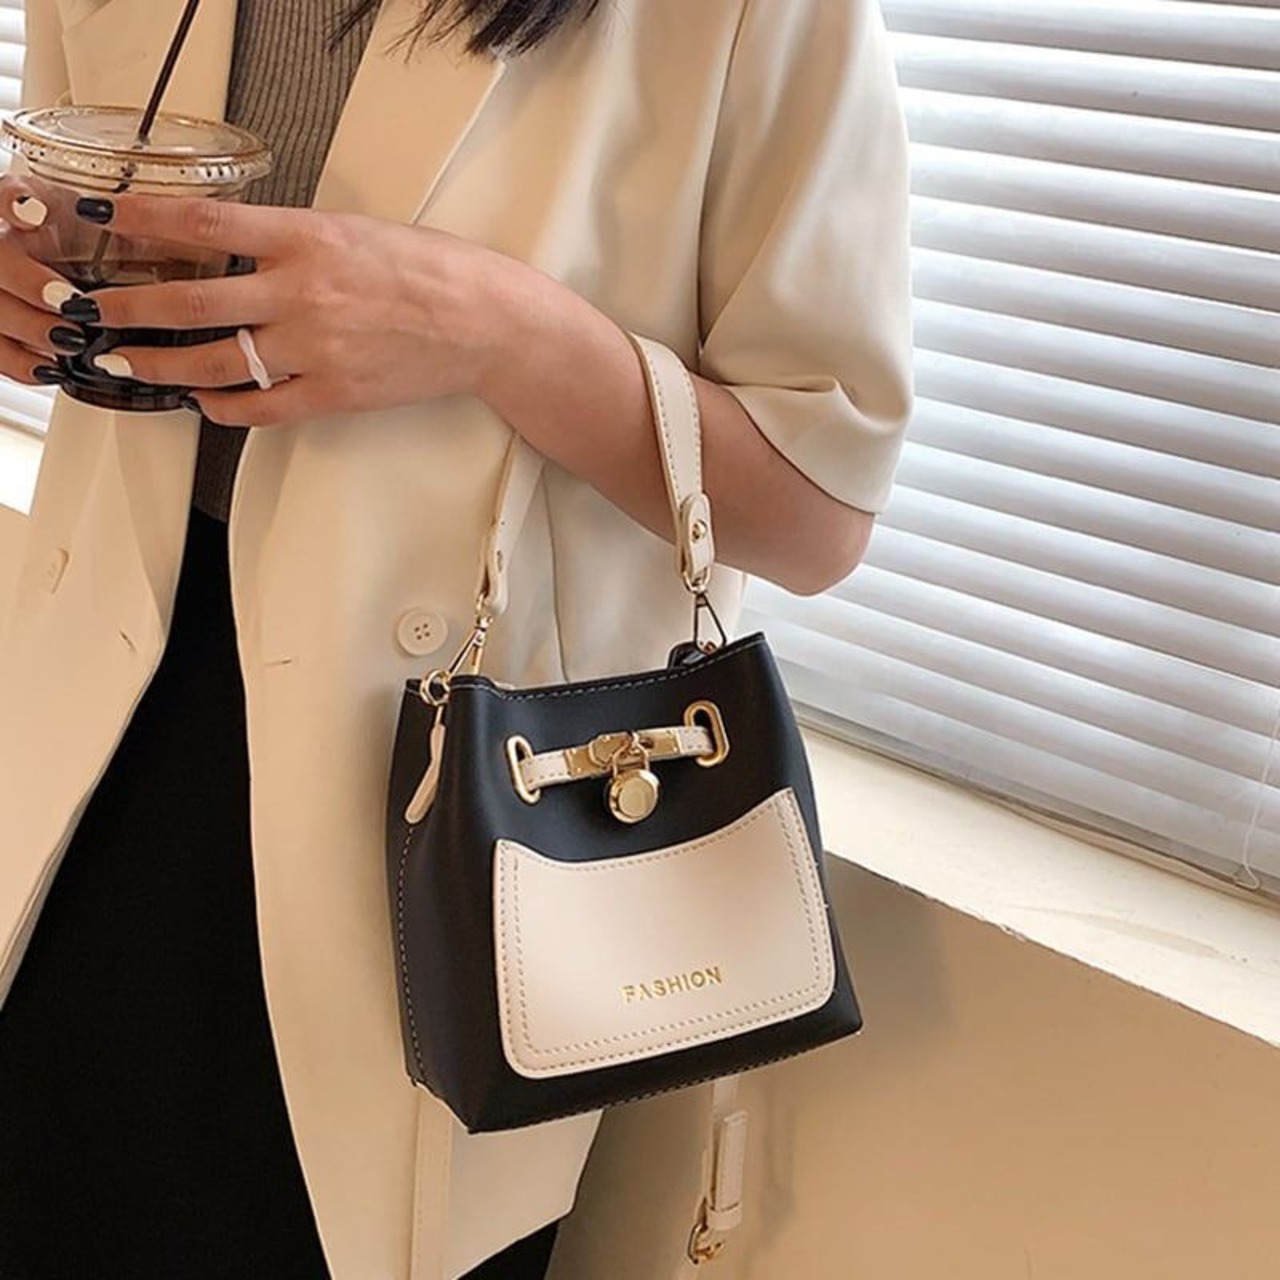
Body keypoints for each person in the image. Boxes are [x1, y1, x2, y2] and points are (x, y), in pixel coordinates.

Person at [0, 0, 913, 1276]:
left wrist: (492, 328)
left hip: (444, 810)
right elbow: (77, 220)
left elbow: (814, 515)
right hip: (90, 742)